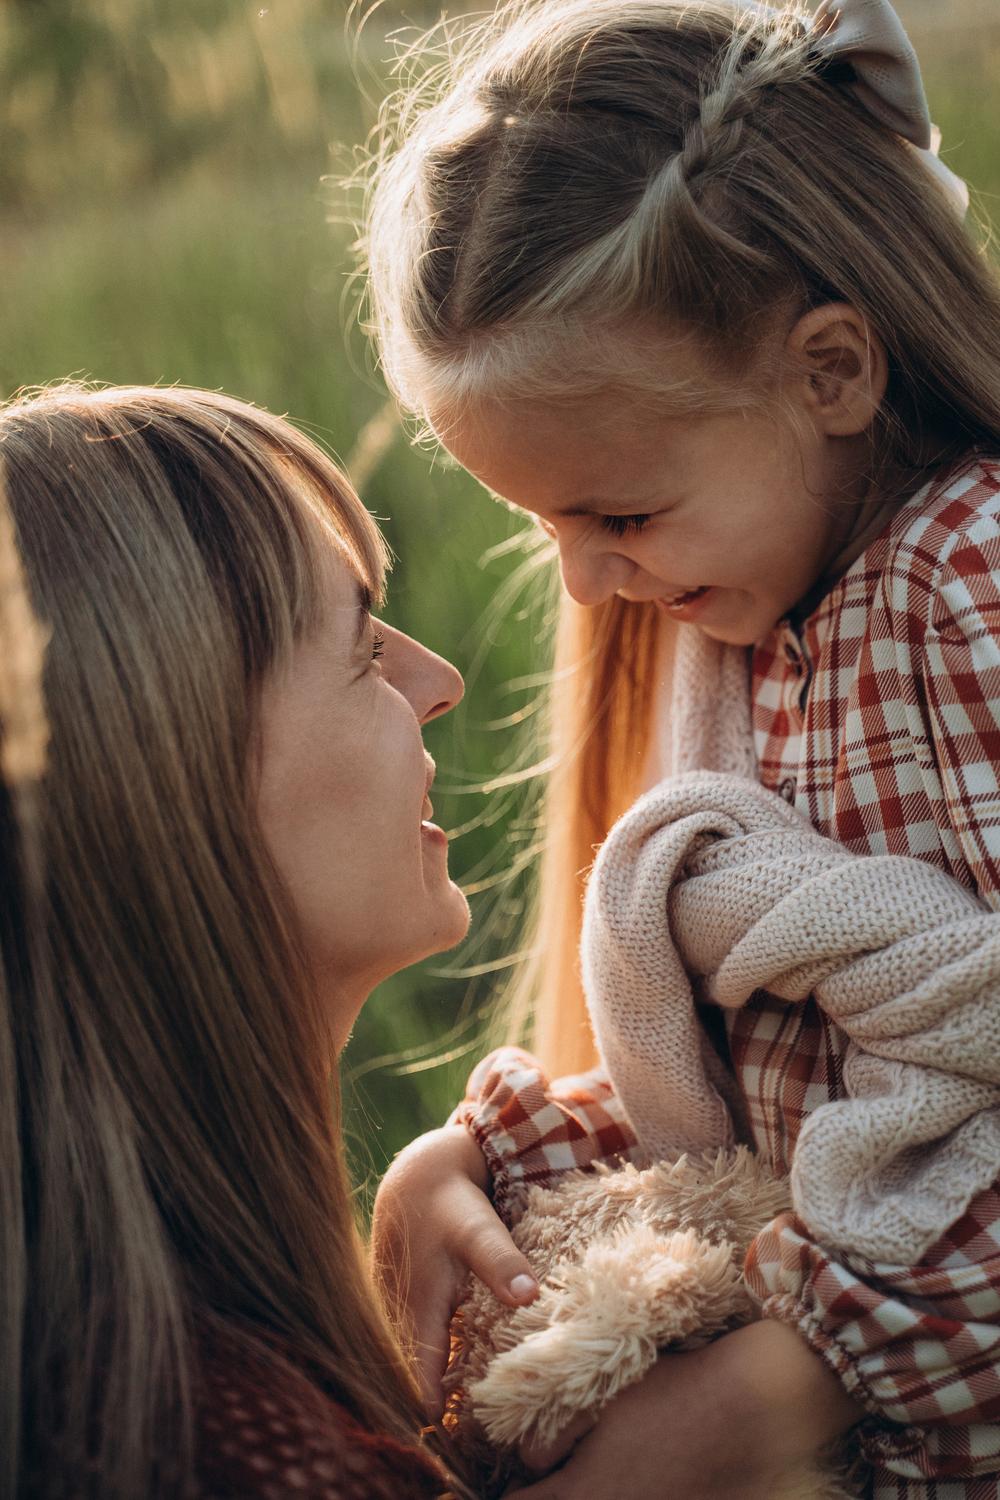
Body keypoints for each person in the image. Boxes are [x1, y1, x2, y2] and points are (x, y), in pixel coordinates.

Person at [360, 1, 1000, 1496]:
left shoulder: (962, 587)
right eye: (542, 524)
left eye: (619, 516)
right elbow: (792, 1098)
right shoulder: (740, 626)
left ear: (833, 371)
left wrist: (796, 1381)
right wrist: (487, 1158)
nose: (582, 583)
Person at [0, 383, 472, 1499]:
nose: (438, 684)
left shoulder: (126, 1363)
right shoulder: (239, 1455)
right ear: (167, 777)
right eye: (362, 653)